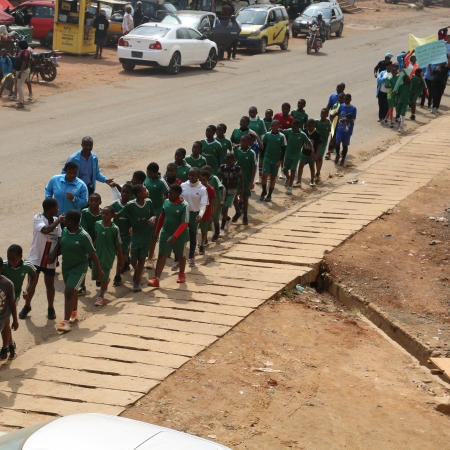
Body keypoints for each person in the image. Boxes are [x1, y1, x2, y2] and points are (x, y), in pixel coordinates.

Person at [57, 209, 104, 332]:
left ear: (71, 221)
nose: (64, 219)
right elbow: (62, 245)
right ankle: (74, 313)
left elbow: (93, 254)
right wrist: (52, 255)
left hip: (79, 267)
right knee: (72, 291)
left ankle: (65, 323)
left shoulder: (84, 236)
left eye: (66, 218)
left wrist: (99, 270)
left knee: (68, 291)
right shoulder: (66, 231)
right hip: (66, 266)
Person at [20, 199, 63, 321]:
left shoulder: (56, 221)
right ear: (51, 209)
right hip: (36, 257)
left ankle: (50, 308)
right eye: (56, 207)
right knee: (32, 283)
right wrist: (58, 221)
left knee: (50, 284)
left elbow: (59, 239)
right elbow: (45, 230)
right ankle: (27, 306)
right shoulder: (38, 217)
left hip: (50, 259)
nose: (58, 210)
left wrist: (54, 254)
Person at [148, 185, 190, 287]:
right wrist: (157, 231)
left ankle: (181, 274)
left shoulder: (184, 205)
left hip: (180, 235)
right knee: (162, 254)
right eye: (168, 193)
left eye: (171, 193)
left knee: (180, 255)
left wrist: (174, 236)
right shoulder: (166, 202)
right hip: (166, 232)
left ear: (178, 194)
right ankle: (156, 279)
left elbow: (184, 223)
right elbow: (162, 216)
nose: (168, 195)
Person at [118, 184, 156, 292]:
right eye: (145, 190)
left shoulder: (149, 202)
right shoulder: (130, 205)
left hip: (146, 236)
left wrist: (153, 218)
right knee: (133, 261)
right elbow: (120, 214)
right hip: (135, 236)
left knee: (142, 258)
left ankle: (137, 282)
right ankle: (138, 270)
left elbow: (154, 214)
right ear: (139, 194)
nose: (147, 191)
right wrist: (108, 214)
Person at [2, 245, 36, 359]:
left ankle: (5, 347)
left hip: (14, 296)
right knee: (5, 321)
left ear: (21, 257)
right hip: (2, 296)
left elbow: (34, 275)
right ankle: (11, 344)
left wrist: (28, 289)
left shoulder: (27, 265)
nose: (11, 261)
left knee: (6, 320)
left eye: (14, 259)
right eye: (9, 258)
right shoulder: (3, 266)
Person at [92, 206, 123, 306]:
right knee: (97, 274)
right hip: (98, 254)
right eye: (103, 214)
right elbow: (97, 238)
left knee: (104, 274)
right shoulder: (97, 224)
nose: (104, 216)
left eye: (106, 214)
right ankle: (105, 282)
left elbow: (118, 244)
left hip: (108, 255)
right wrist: (92, 249)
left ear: (112, 216)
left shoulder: (115, 229)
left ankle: (101, 296)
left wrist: (121, 258)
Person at [179, 168, 208, 268]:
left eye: (193, 176)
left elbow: (203, 204)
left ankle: (191, 257)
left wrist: (200, 215)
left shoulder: (202, 189)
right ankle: (178, 259)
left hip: (194, 215)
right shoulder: (183, 186)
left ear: (198, 177)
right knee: (181, 237)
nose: (191, 177)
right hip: (183, 214)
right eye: (189, 175)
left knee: (192, 237)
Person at [144, 162, 169, 269]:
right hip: (146, 209)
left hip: (157, 211)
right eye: (147, 173)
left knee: (154, 234)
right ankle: (149, 253)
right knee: (146, 234)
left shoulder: (162, 182)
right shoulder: (146, 178)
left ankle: (150, 259)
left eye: (150, 173)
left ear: (156, 173)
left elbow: (168, 194)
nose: (148, 175)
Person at [111, 183, 132, 286]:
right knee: (121, 255)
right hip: (115, 233)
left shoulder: (132, 205)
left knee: (120, 256)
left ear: (131, 194)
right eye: (123, 191)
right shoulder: (115, 204)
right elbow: (107, 213)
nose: (124, 194)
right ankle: (127, 261)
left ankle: (117, 276)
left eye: (127, 193)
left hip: (126, 235)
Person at [260, 120, 287, 202]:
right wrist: (261, 158)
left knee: (273, 177)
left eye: (275, 126)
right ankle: (264, 191)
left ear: (279, 126)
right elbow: (263, 147)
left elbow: (283, 150)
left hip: (276, 159)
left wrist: (280, 161)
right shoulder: (267, 135)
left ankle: (269, 194)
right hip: (267, 157)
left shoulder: (282, 136)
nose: (273, 127)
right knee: (264, 176)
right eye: (272, 126)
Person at [281, 119, 310, 194]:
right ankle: (288, 178)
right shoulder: (289, 131)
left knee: (293, 170)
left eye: (294, 128)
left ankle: (290, 187)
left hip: (296, 154)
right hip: (288, 153)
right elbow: (282, 131)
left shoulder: (302, 135)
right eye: (292, 127)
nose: (293, 129)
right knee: (284, 170)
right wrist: (276, 129)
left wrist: (312, 151)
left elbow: (309, 142)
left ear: (298, 127)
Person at [217, 153, 243, 231]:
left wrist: (242, 188)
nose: (228, 163)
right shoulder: (222, 167)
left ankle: (222, 228)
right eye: (227, 161)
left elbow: (242, 178)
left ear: (233, 160)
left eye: (230, 161)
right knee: (222, 211)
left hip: (232, 191)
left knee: (225, 208)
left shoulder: (237, 168)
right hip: (223, 191)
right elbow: (218, 177)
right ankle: (227, 219)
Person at [234, 135, 257, 223]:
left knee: (245, 196)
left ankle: (245, 216)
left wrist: (251, 180)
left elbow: (254, 167)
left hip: (246, 178)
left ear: (248, 143)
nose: (242, 143)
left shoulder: (251, 153)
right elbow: (234, 161)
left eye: (244, 141)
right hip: (237, 178)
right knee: (234, 194)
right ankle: (237, 212)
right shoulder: (238, 150)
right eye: (241, 141)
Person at [0, 257, 18, 361]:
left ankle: (6, 345)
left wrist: (15, 320)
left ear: (1, 269)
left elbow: (12, 303)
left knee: (5, 327)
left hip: (2, 317)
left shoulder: (7, 284)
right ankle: (10, 344)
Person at [203, 165, 225, 240]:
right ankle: (205, 238)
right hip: (206, 203)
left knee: (215, 217)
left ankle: (217, 232)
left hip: (215, 201)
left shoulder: (214, 178)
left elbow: (222, 187)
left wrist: (222, 199)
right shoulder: (201, 180)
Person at [333, 93, 356, 164]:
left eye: (347, 99)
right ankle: (337, 155)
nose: (345, 100)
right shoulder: (341, 106)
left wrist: (345, 120)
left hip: (347, 130)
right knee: (337, 143)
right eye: (345, 99)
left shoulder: (353, 108)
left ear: (350, 100)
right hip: (340, 128)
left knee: (345, 145)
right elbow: (339, 113)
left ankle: (343, 158)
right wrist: (335, 114)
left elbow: (353, 120)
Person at [298, 119, 321, 188]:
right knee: (301, 165)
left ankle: (312, 180)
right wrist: (299, 149)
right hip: (304, 152)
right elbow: (302, 140)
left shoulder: (317, 133)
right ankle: (299, 181)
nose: (308, 128)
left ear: (313, 125)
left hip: (312, 154)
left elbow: (320, 145)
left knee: (312, 167)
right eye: (307, 126)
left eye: (310, 126)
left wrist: (316, 155)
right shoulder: (304, 131)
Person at [198, 170, 217, 254]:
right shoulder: (197, 188)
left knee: (204, 231)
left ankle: (202, 245)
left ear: (208, 179)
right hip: (197, 213)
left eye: (204, 180)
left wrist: (212, 215)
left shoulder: (211, 189)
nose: (202, 182)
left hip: (206, 214)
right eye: (200, 180)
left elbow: (215, 203)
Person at [325, 92, 345, 160]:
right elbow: (332, 114)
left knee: (340, 139)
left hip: (342, 124)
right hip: (335, 123)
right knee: (332, 138)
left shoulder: (345, 106)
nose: (340, 99)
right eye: (339, 98)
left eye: (342, 98)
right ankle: (328, 152)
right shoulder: (336, 105)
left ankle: (339, 153)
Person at [314, 109, 331, 182]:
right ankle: (317, 171)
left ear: (327, 115)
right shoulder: (316, 122)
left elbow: (329, 133)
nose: (322, 115)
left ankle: (317, 173)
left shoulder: (329, 124)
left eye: (324, 114)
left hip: (323, 142)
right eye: (321, 114)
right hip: (316, 142)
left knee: (320, 157)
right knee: (316, 158)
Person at [14, 40, 31, 109]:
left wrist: (20, 72)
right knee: (19, 86)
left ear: (20, 45)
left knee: (19, 86)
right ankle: (21, 101)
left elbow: (24, 63)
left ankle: (21, 103)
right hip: (21, 70)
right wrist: (15, 70)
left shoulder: (24, 52)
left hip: (23, 71)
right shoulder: (22, 52)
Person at [384, 63, 399, 128]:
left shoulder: (399, 76)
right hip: (390, 95)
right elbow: (386, 86)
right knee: (391, 108)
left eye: (395, 72)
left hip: (396, 94)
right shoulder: (389, 78)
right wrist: (393, 86)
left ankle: (385, 119)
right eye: (393, 72)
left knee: (391, 108)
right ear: (392, 72)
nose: (394, 73)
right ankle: (392, 122)